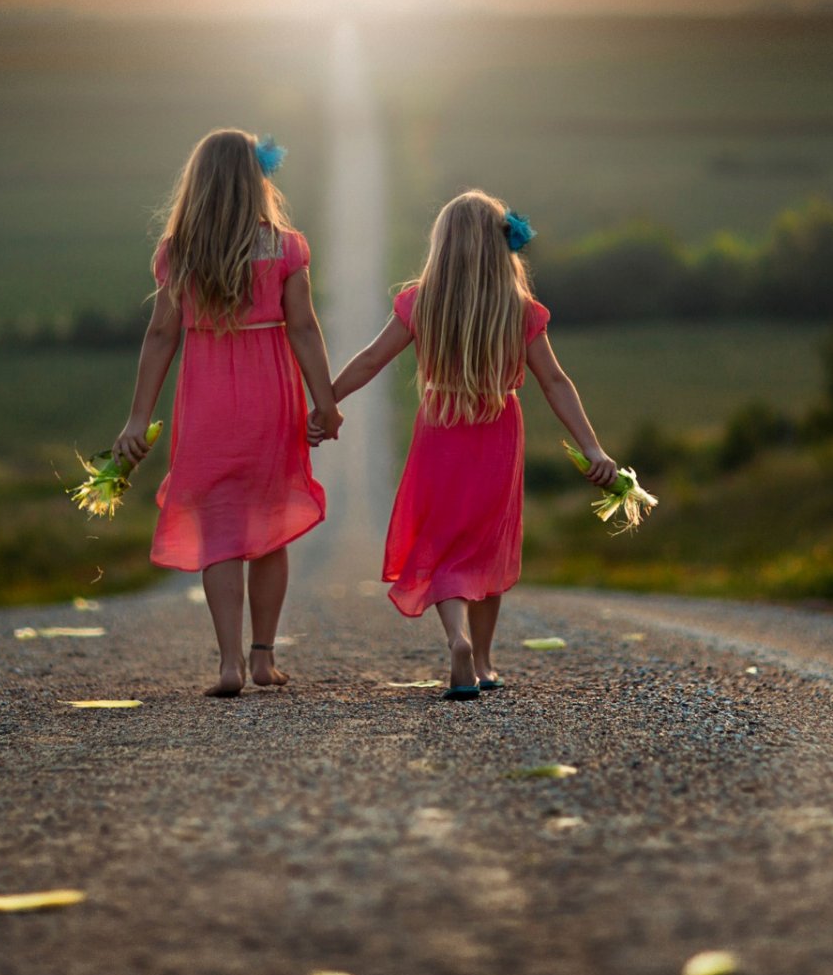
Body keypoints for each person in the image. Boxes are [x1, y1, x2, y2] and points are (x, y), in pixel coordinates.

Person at [325, 190, 616, 699]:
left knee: (442, 545)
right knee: (487, 545)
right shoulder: (519, 308)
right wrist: (593, 447)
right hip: (497, 430)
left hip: (440, 425)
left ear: (443, 245)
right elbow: (555, 382)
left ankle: (456, 640)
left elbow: (372, 359)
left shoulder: (420, 301)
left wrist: (325, 402)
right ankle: (482, 661)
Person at [113, 128, 341, 696]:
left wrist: (136, 420)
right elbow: (305, 329)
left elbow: (161, 336)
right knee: (267, 527)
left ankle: (229, 663)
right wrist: (325, 402)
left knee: (220, 530)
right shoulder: (286, 248)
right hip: (270, 396)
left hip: (207, 399)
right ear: (256, 180)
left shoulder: (178, 252)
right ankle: (264, 658)